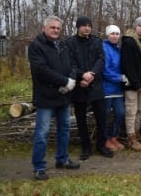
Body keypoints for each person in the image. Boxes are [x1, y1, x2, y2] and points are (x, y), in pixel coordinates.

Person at [28, 16, 80, 180]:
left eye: (58, 28)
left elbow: (73, 64)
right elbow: (41, 70)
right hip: (46, 97)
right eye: (52, 27)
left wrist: (71, 80)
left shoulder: (63, 45)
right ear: (44, 28)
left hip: (64, 96)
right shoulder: (36, 46)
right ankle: (39, 167)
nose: (56, 30)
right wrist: (64, 81)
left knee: (64, 129)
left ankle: (62, 159)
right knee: (42, 133)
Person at [66, 16, 113, 160]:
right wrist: (81, 76)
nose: (87, 28)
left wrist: (92, 74)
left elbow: (101, 59)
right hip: (79, 86)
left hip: (96, 85)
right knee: (81, 119)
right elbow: (70, 63)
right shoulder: (69, 43)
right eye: (84, 25)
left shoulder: (97, 41)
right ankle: (86, 147)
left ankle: (101, 145)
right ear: (78, 27)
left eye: (89, 25)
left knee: (101, 117)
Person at [120, 17, 141, 151]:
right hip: (132, 84)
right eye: (139, 26)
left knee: (140, 109)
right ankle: (130, 137)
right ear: (135, 27)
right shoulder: (129, 42)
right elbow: (127, 65)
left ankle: (137, 133)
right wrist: (136, 83)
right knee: (131, 110)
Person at [103, 25, 126, 152]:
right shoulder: (104, 48)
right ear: (107, 35)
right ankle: (105, 138)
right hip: (106, 89)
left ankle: (114, 137)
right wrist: (120, 78)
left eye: (117, 34)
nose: (115, 36)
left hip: (118, 89)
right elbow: (105, 70)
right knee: (105, 115)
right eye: (112, 33)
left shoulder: (118, 48)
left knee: (120, 113)